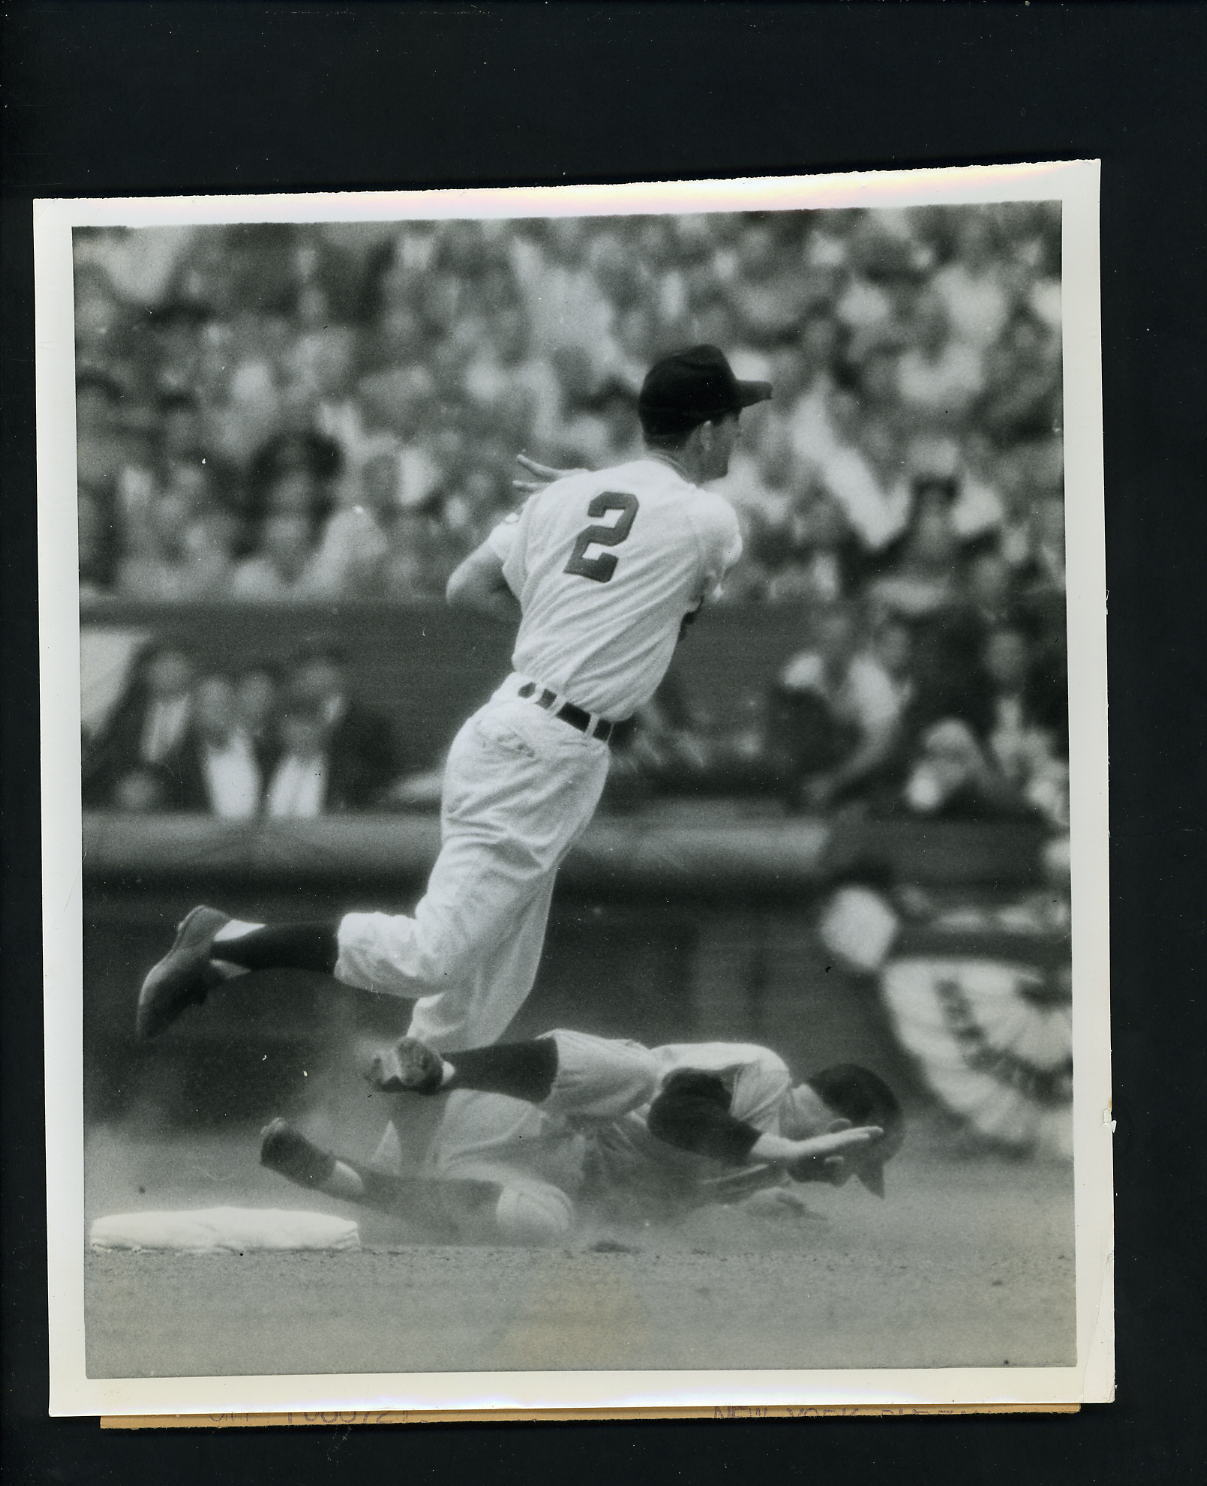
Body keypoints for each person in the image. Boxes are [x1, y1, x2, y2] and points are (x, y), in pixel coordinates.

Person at [135, 346, 769, 1053]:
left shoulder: (564, 497)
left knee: (482, 996)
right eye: (732, 419)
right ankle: (228, 943)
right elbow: (666, 561)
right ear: (706, 430)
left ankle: (404, 1162)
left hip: (532, 731)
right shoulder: (710, 521)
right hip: (542, 746)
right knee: (433, 957)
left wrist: (578, 498)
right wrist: (591, 503)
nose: (738, 434)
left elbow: (465, 588)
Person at [259, 1023, 904, 1244]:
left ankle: (337, 1176)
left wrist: (746, 1198)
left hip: (475, 1173)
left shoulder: (759, 1168)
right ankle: (439, 1070)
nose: (843, 1179)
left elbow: (646, 1200)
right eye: (854, 1165)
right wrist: (788, 1152)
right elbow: (674, 1117)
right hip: (505, 1111)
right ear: (842, 1131)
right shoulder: (765, 1073)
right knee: (635, 1069)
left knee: (549, 1225)